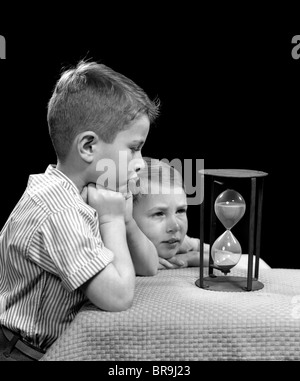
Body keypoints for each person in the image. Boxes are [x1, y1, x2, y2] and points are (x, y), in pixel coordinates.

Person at [0, 60, 160, 361]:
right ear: (88, 146)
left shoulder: (85, 195)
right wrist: (111, 219)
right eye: (134, 148)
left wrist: (125, 219)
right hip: (23, 353)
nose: (141, 162)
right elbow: (118, 297)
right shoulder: (60, 211)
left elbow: (148, 267)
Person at [132, 157, 210, 269]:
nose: (175, 226)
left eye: (180, 211)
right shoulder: (109, 245)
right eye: (159, 213)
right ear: (127, 215)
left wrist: (191, 258)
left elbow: (224, 255)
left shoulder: (178, 241)